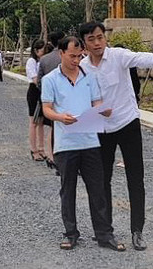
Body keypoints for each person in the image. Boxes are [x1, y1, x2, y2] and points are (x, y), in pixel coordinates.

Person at [79, 21, 153, 251]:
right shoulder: (83, 67)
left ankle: (137, 231)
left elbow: (145, 58)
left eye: (100, 37)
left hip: (128, 122)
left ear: (105, 38)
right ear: (85, 43)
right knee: (102, 181)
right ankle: (104, 228)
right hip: (102, 128)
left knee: (135, 178)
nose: (97, 42)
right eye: (91, 39)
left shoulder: (119, 56)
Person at [41, 36, 125, 251]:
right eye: (72, 56)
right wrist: (60, 117)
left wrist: (103, 109)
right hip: (66, 143)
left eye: (80, 56)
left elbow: (96, 102)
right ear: (61, 53)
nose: (77, 60)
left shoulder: (89, 77)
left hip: (89, 141)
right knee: (68, 190)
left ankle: (105, 234)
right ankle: (70, 233)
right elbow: (46, 108)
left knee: (97, 190)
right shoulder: (50, 79)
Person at [37, 31, 66, 171]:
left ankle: (52, 156)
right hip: (65, 97)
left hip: (49, 99)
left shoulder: (44, 59)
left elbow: (39, 81)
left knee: (54, 127)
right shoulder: (65, 57)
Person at [26, 39, 46, 161]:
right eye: (43, 50)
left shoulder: (41, 61)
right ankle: (34, 150)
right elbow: (34, 79)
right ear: (36, 50)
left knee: (41, 123)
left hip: (42, 91)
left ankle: (41, 148)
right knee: (33, 122)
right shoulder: (31, 62)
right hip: (34, 91)